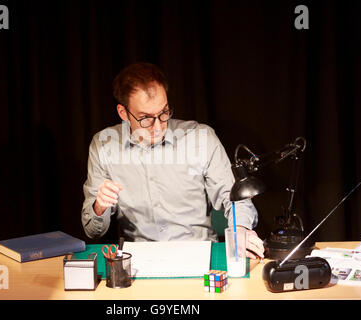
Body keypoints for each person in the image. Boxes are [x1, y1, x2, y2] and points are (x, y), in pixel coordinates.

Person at [81, 62, 264, 259]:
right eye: (146, 118)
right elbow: (93, 231)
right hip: (138, 261)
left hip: (199, 255)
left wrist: (241, 230)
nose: (158, 126)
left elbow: (235, 197)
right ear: (123, 113)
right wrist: (100, 206)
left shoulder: (200, 138)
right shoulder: (103, 145)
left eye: (164, 112)